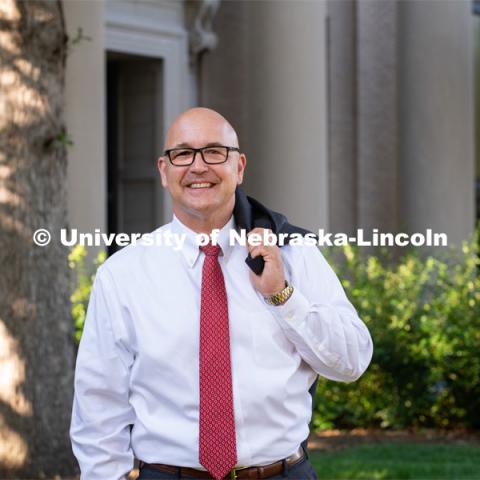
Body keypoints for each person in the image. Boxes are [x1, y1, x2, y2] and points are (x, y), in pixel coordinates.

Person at [70, 107, 373, 480]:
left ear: (239, 167)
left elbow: (351, 362)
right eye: (182, 154)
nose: (198, 167)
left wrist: (282, 296)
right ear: (164, 171)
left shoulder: (293, 254)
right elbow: (100, 404)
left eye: (215, 151)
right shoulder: (123, 274)